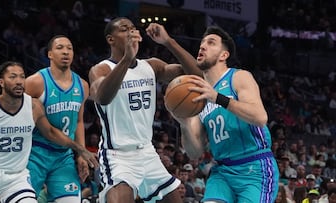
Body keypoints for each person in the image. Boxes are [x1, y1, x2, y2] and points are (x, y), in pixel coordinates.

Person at [146, 23, 280, 202]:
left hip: (255, 168)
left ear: (224, 55)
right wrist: (184, 123)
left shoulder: (238, 77)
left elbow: (260, 117)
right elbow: (195, 152)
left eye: (211, 43)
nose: (203, 46)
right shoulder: (198, 95)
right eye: (202, 43)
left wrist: (218, 98)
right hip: (222, 171)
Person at [88, 17, 200, 203]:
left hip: (147, 152)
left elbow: (196, 74)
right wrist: (126, 60)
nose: (131, 32)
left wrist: (168, 41)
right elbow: (102, 97)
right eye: (124, 29)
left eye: (133, 28)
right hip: (118, 156)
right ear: (111, 39)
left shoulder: (151, 66)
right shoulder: (101, 69)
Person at [0, 61, 97, 202]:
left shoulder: (33, 106)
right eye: (13, 77)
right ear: (1, 82)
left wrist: (80, 149)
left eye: (22, 77)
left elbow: (51, 132)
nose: (19, 81)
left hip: (16, 178)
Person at [25, 35, 96, 202]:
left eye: (69, 48)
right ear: (49, 54)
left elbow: (78, 121)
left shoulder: (83, 85)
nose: (65, 52)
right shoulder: (35, 82)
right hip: (34, 153)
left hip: (63, 156)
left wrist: (81, 154)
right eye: (60, 48)